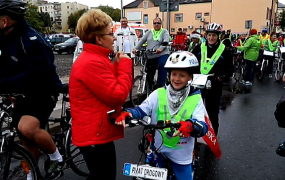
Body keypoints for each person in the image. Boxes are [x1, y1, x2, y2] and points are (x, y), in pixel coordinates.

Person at [115, 51, 208, 180]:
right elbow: (142, 110)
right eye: (174, 74)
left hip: (181, 154)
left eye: (182, 75)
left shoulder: (195, 98)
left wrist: (191, 125)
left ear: (190, 77)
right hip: (158, 149)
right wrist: (129, 113)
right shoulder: (158, 93)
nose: (176, 78)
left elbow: (203, 126)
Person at [0, 0, 64, 179]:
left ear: (5, 21)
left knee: (27, 128)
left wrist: (4, 84)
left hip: (43, 91)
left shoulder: (33, 41)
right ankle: (31, 174)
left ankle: (55, 157)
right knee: (25, 140)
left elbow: (35, 76)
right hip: (21, 93)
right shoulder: (5, 38)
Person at [69, 9, 133, 180]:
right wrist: (125, 65)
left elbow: (106, 86)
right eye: (110, 33)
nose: (113, 38)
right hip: (94, 136)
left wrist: (116, 65)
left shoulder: (95, 58)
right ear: (98, 38)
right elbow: (118, 94)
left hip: (95, 133)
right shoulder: (92, 62)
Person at [192, 22, 233, 135]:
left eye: (214, 35)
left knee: (212, 112)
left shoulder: (224, 50)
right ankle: (196, 134)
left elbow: (230, 69)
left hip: (214, 84)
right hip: (198, 83)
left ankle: (212, 136)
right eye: (209, 35)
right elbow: (191, 62)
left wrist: (223, 77)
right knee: (196, 111)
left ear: (218, 36)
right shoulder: (199, 47)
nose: (211, 38)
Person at [132, 17, 170, 89]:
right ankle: (147, 88)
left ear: (161, 24)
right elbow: (142, 40)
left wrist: (160, 48)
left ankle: (161, 85)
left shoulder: (164, 31)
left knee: (162, 64)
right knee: (148, 71)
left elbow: (166, 41)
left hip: (162, 54)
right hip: (151, 54)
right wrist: (135, 48)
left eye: (158, 23)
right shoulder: (149, 32)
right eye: (155, 23)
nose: (156, 24)